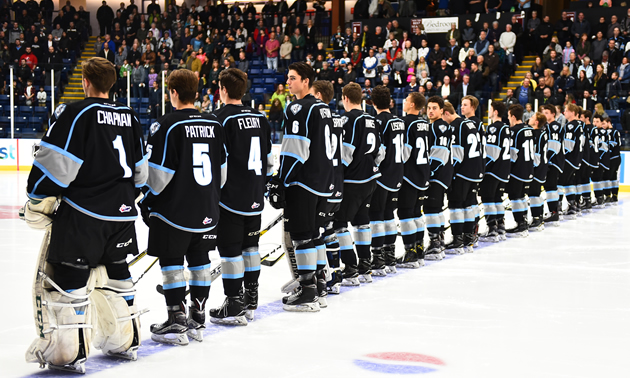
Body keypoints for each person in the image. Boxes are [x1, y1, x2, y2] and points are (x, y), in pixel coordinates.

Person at [24, 57, 146, 372]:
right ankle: (125, 341)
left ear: (85, 82)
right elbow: (141, 175)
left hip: (83, 215)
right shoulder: (130, 116)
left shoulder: (76, 112)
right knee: (116, 278)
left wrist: (35, 198)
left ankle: (67, 353)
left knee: (68, 280)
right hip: (121, 216)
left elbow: (55, 167)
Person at [141, 69, 226, 345]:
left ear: (173, 93)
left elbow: (157, 177)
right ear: (197, 92)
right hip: (208, 210)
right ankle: (197, 320)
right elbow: (222, 174)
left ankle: (176, 321)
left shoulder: (167, 125)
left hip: (174, 212)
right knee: (200, 261)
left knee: (172, 263)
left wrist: (147, 200)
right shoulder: (214, 124)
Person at [267, 62, 335, 311]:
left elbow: (295, 150)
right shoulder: (324, 108)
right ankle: (318, 287)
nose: (289, 82)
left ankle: (307, 292)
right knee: (315, 235)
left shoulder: (298, 107)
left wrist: (280, 180)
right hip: (322, 182)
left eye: (293, 78)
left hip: (303, 182)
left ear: (306, 81)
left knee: (301, 237)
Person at [210, 68, 272, 325]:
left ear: (223, 89)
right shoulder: (260, 117)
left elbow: (219, 164)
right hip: (255, 195)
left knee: (231, 252)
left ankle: (234, 301)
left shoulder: (219, 119)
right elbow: (268, 160)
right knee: (251, 248)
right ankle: (251, 299)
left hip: (230, 197)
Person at [332, 82, 382, 286]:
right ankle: (365, 268)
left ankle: (351, 269)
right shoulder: (371, 118)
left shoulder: (349, 119)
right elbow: (380, 152)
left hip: (352, 180)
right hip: (370, 180)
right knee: (362, 224)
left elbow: (346, 151)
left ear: (345, 98)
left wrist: (336, 176)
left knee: (339, 224)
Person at [366, 86, 405, 278]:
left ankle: (378, 260)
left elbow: (378, 151)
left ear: (372, 103)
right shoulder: (399, 121)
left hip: (382, 175)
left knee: (376, 216)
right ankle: (390, 259)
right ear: (390, 101)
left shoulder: (377, 122)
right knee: (389, 215)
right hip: (397, 173)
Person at [442, 99, 483, 254]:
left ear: (446, 113)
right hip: (475, 170)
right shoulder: (469, 124)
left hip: (463, 172)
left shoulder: (455, 126)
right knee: (468, 204)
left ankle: (458, 240)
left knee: (456, 205)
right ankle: (468, 239)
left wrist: (450, 173)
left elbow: (457, 154)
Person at [424, 96, 453, 259]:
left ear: (442, 110)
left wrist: (430, 173)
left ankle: (435, 244)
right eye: (429, 108)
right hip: (442, 172)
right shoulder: (435, 125)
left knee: (431, 208)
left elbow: (440, 152)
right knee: (435, 207)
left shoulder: (439, 126)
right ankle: (439, 240)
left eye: (434, 108)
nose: (430, 111)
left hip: (438, 173)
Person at [480, 101, 511, 242]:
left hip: (493, 170)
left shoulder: (493, 128)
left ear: (496, 112)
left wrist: (483, 167)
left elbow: (492, 152)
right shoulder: (506, 127)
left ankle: (492, 229)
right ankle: (500, 227)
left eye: (490, 109)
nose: (489, 111)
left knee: (488, 199)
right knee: (497, 199)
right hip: (504, 169)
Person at [505, 104, 534, 237]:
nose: (508, 118)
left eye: (509, 116)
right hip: (528, 167)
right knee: (522, 196)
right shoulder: (529, 129)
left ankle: (520, 223)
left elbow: (513, 153)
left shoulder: (515, 131)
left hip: (517, 170)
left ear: (513, 116)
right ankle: (524, 221)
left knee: (515, 196)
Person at [558, 104, 583, 220]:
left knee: (558, 183)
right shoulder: (579, 125)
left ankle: (555, 209)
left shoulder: (571, 126)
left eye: (566, 111)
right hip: (576, 159)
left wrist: (561, 155)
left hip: (569, 159)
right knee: (569, 183)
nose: (564, 113)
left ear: (573, 113)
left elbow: (568, 146)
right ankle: (572, 206)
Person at [527, 112, 548, 231]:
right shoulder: (541, 133)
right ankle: (538, 217)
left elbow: (537, 153)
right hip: (541, 166)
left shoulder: (537, 134)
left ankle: (537, 219)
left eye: (532, 117)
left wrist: (532, 167)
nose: (529, 118)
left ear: (536, 122)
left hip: (538, 167)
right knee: (535, 193)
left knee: (534, 193)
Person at [578, 109, 598, 212]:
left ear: (586, 118)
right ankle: (586, 199)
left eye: (582, 117)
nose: (580, 119)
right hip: (587, 157)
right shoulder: (586, 128)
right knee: (583, 179)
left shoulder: (590, 129)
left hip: (589, 158)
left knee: (584, 179)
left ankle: (587, 199)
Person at [591, 114, 609, 207]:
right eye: (594, 121)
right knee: (595, 178)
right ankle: (598, 197)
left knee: (597, 178)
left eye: (597, 121)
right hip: (597, 159)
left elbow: (603, 147)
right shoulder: (594, 131)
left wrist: (598, 158)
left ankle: (600, 197)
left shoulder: (602, 132)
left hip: (601, 159)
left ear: (601, 123)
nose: (595, 123)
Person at [603, 117, 620, 204]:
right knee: (613, 177)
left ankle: (609, 195)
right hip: (615, 157)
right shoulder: (614, 132)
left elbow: (614, 144)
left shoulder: (613, 132)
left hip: (613, 157)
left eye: (604, 123)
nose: (603, 126)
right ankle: (614, 195)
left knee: (608, 176)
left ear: (609, 123)